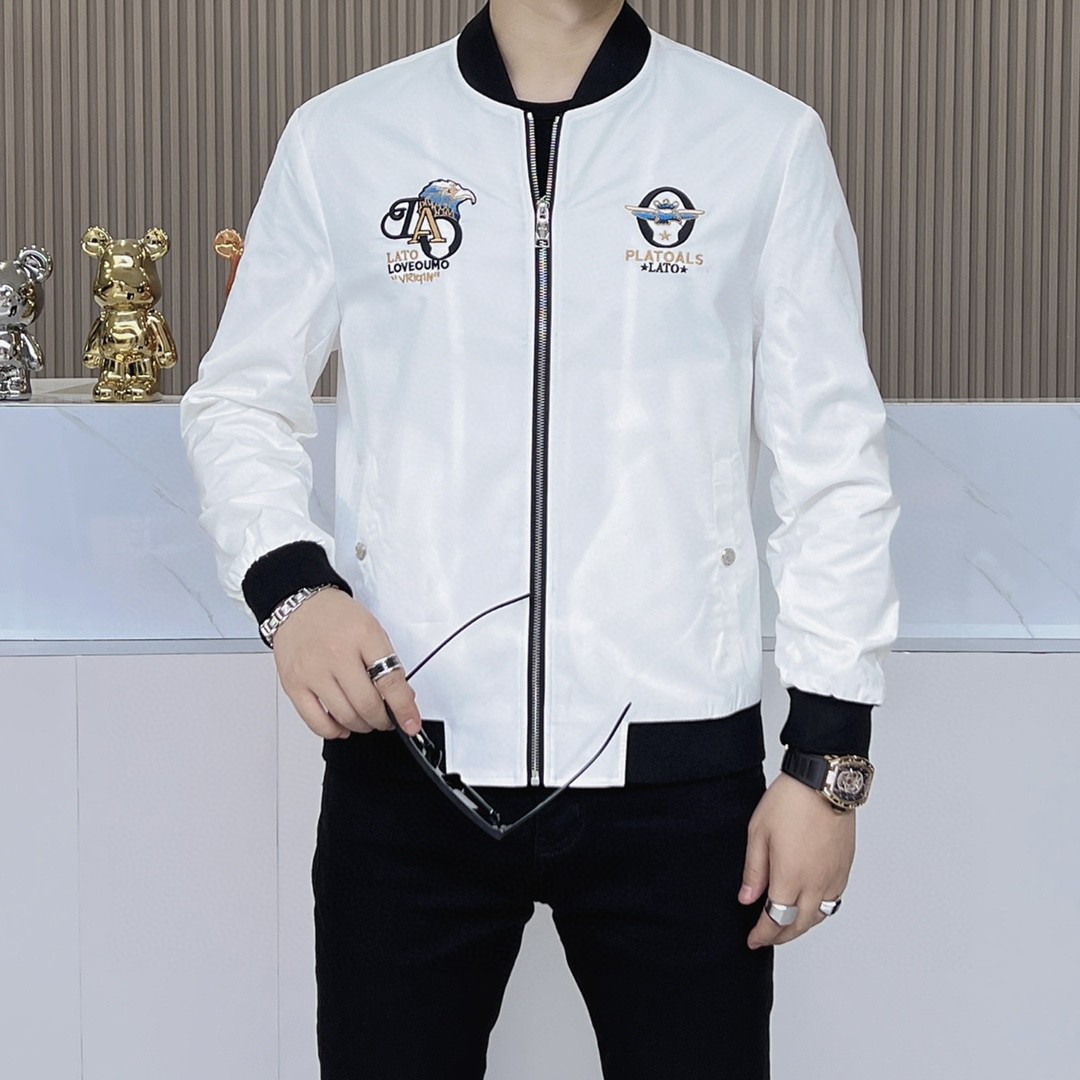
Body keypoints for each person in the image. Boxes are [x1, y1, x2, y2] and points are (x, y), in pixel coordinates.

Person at [179, 1, 900, 1076]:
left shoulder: (763, 141)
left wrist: (828, 759)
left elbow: (833, 460)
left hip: (679, 778)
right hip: (410, 760)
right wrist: (293, 589)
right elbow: (241, 398)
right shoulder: (344, 137)